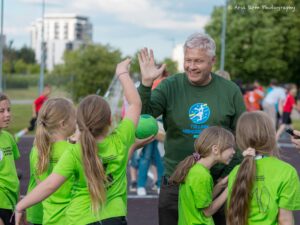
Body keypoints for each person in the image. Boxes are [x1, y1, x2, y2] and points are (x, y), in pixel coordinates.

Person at [15, 58, 142, 225]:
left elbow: (50, 185)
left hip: (80, 219)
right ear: (110, 121)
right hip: (114, 217)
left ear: (79, 122)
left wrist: (20, 206)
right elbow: (135, 104)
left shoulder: (74, 151)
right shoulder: (120, 140)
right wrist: (122, 73)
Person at [138, 32, 246, 225]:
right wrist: (146, 84)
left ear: (212, 61)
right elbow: (145, 115)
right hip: (175, 181)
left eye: (198, 61)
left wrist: (228, 173)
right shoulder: (170, 86)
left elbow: (242, 136)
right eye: (188, 60)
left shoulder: (230, 91)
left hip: (216, 180)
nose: (191, 66)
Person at [227, 111, 300, 225]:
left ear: (240, 139)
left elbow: (232, 216)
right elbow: (285, 220)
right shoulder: (286, 171)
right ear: (271, 136)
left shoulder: (236, 172)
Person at [169, 126, 235, 225]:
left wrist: (220, 185)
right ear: (215, 149)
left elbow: (202, 200)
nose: (234, 152)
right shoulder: (202, 176)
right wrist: (229, 189)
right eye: (231, 147)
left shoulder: (197, 170)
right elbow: (207, 211)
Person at [26, 97, 76, 225]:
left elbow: (41, 189)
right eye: (74, 117)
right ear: (63, 124)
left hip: (48, 219)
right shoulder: (73, 151)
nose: (76, 121)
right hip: (72, 219)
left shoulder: (36, 151)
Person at [0, 93, 20, 225]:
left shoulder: (8, 137)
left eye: (8, 110)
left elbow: (13, 173)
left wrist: (20, 206)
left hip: (12, 203)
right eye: (1, 111)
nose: (7, 114)